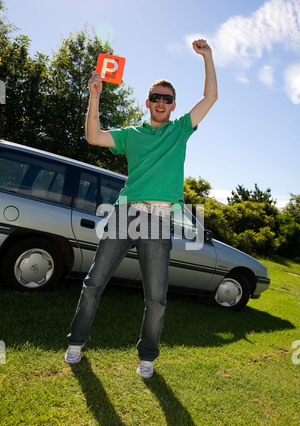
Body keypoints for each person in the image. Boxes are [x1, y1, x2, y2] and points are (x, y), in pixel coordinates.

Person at [65, 39, 218, 378]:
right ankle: (76, 342)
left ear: (173, 105)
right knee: (94, 282)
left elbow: (210, 98)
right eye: (156, 97)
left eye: (167, 98)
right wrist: (94, 96)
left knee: (156, 298)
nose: (161, 102)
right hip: (126, 214)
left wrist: (207, 57)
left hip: (160, 221)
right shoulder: (132, 134)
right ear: (147, 102)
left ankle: (147, 356)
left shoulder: (180, 131)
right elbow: (94, 137)